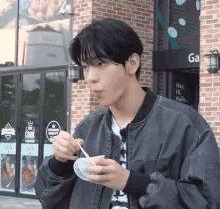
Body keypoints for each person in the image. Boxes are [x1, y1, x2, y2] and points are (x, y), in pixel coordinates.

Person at [34, 18, 220, 209]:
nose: (90, 77)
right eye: (85, 67)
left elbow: (207, 201)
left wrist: (133, 182)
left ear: (131, 63)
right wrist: (59, 164)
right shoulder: (87, 128)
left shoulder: (185, 124)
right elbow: (50, 201)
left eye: (99, 63)